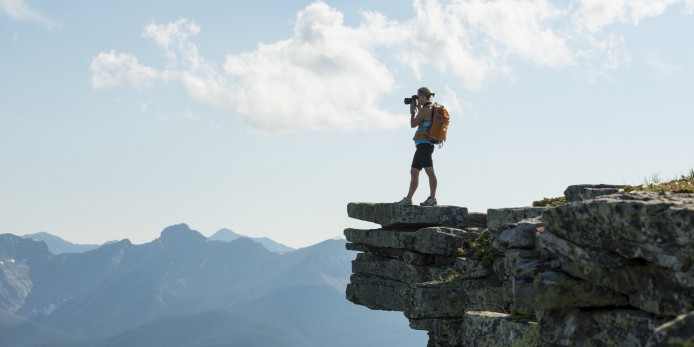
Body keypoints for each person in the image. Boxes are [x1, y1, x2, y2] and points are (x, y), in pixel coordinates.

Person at [398, 86, 438, 206]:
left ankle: (432, 198)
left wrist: (412, 112)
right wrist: (418, 108)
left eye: (418, 96)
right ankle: (408, 199)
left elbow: (413, 124)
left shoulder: (425, 110)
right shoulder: (428, 108)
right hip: (422, 144)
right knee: (414, 171)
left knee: (429, 170)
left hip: (424, 145)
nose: (417, 99)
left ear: (422, 96)